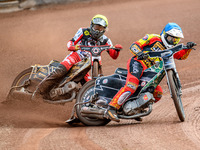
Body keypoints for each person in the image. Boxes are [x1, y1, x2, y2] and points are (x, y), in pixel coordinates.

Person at [106, 22, 196, 122]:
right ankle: (111, 108)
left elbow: (180, 56)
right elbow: (134, 45)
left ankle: (135, 109)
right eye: (171, 38)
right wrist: (139, 53)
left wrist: (188, 48)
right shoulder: (153, 38)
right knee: (132, 85)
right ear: (164, 34)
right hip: (137, 63)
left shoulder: (170, 48)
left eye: (176, 39)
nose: (173, 41)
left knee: (158, 93)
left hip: (149, 72)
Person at [32, 14, 122, 100]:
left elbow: (113, 55)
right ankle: (38, 92)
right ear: (91, 25)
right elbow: (71, 41)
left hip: (87, 64)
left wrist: (117, 50)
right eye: (96, 27)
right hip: (76, 56)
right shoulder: (83, 31)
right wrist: (72, 47)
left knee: (89, 87)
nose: (97, 30)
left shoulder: (106, 40)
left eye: (100, 28)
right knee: (60, 71)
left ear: (104, 29)